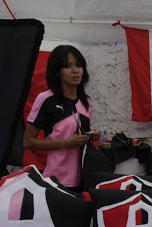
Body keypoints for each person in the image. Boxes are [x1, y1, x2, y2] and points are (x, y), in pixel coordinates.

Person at [23, 45, 100, 192]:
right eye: (68, 66)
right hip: (57, 180)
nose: (75, 70)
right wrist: (65, 143)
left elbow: (80, 137)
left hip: (86, 178)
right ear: (57, 72)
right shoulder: (46, 99)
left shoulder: (87, 101)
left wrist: (93, 136)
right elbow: (28, 142)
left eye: (79, 65)